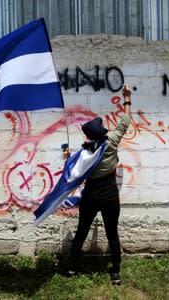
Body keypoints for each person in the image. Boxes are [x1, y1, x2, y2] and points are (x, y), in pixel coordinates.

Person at [64, 84, 132, 285]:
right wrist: (127, 98)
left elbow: (74, 171)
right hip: (110, 195)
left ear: (89, 136)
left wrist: (68, 157)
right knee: (112, 232)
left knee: (82, 231)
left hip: (91, 196)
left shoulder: (85, 152)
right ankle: (116, 271)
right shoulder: (110, 141)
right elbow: (125, 121)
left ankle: (72, 267)